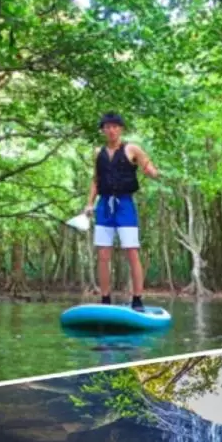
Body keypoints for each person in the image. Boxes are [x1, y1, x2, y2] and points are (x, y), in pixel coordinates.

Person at [83, 112, 159, 310]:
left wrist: (151, 171)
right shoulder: (98, 152)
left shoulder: (131, 148)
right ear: (103, 130)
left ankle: (137, 299)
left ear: (121, 129)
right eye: (107, 127)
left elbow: (149, 167)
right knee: (103, 254)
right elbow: (96, 181)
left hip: (125, 204)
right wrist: (89, 203)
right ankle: (105, 299)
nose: (111, 130)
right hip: (104, 205)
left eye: (115, 126)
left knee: (131, 251)